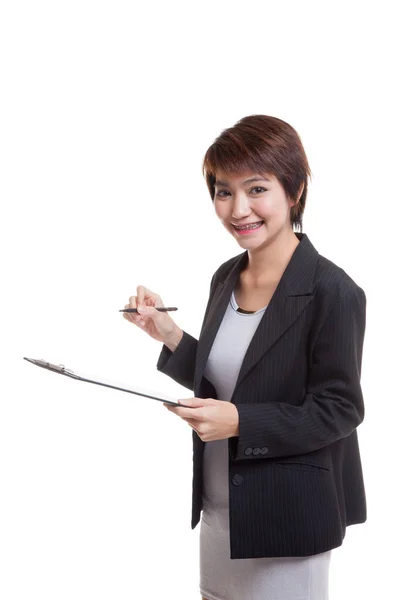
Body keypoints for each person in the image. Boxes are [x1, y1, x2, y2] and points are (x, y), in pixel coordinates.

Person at [123, 115, 367, 600]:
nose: (239, 209)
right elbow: (232, 378)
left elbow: (340, 409)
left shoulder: (332, 291)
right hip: (222, 508)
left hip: (286, 515)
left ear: (294, 190)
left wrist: (239, 423)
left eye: (257, 189)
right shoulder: (225, 277)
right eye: (223, 192)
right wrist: (168, 334)